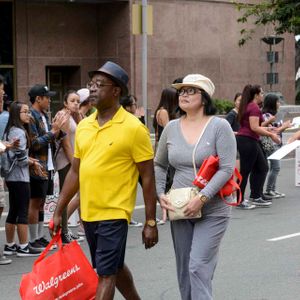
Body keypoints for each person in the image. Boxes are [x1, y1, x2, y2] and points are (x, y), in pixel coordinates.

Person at [50, 61, 158, 300]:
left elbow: (148, 177)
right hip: (89, 213)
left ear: (116, 90)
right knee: (114, 267)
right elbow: (75, 172)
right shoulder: (85, 125)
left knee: (105, 273)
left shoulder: (133, 128)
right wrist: (60, 211)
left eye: (100, 85)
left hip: (115, 213)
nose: (93, 90)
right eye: (91, 84)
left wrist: (151, 221)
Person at [155, 74, 236, 300]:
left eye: (191, 91)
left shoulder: (219, 126)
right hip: (180, 208)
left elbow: (226, 168)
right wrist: (160, 193)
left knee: (198, 266)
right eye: (181, 91)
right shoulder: (171, 128)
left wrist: (202, 197)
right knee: (184, 270)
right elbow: (159, 164)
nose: (184, 95)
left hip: (213, 208)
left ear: (205, 97)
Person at [28, 84, 69, 251]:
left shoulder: (44, 115)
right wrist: (53, 132)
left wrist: (59, 131)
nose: (49, 100)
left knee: (42, 201)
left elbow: (53, 136)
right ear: (38, 99)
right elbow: (34, 143)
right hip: (37, 165)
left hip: (48, 165)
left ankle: (39, 236)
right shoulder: (31, 116)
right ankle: (32, 240)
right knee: (35, 201)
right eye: (47, 97)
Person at [3, 102, 42, 257]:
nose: (28, 115)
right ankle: (24, 247)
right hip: (20, 177)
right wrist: (32, 162)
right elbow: (20, 159)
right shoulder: (19, 132)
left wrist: (30, 160)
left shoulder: (10, 130)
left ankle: (10, 245)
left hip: (11, 177)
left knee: (13, 210)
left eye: (28, 112)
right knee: (22, 211)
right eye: (25, 112)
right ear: (16, 114)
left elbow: (16, 155)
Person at [236, 85, 280, 209]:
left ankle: (256, 196)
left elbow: (253, 126)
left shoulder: (249, 106)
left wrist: (267, 128)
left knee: (262, 167)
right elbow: (254, 127)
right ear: (256, 95)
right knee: (245, 171)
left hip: (249, 139)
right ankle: (240, 200)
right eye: (261, 93)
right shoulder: (254, 107)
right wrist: (271, 134)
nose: (263, 95)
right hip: (247, 140)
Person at [54, 90, 83, 243]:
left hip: (73, 159)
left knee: (69, 196)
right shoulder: (63, 116)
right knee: (65, 196)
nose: (76, 103)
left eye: (78, 101)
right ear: (65, 103)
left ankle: (65, 231)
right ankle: (62, 232)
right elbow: (65, 144)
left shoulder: (73, 116)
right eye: (72, 101)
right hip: (65, 161)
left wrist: (78, 115)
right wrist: (75, 164)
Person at [262, 93, 291, 198]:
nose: (279, 103)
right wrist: (284, 126)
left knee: (274, 167)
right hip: (271, 144)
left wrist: (286, 126)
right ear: (272, 103)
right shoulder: (267, 116)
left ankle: (272, 189)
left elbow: (278, 129)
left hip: (277, 142)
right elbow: (273, 130)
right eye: (277, 102)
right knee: (276, 167)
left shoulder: (275, 114)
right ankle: (269, 190)